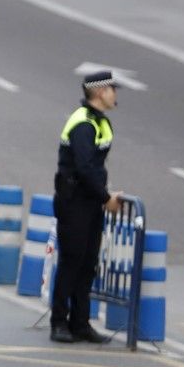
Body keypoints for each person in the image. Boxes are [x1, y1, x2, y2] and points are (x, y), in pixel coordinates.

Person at [51, 70, 120, 345]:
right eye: (113, 89)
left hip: (90, 202)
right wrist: (107, 198)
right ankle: (59, 322)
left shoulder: (99, 122)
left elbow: (96, 168)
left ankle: (80, 323)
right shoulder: (83, 124)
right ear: (101, 92)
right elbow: (84, 167)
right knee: (72, 261)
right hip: (74, 203)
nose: (115, 94)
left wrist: (104, 195)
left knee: (88, 263)